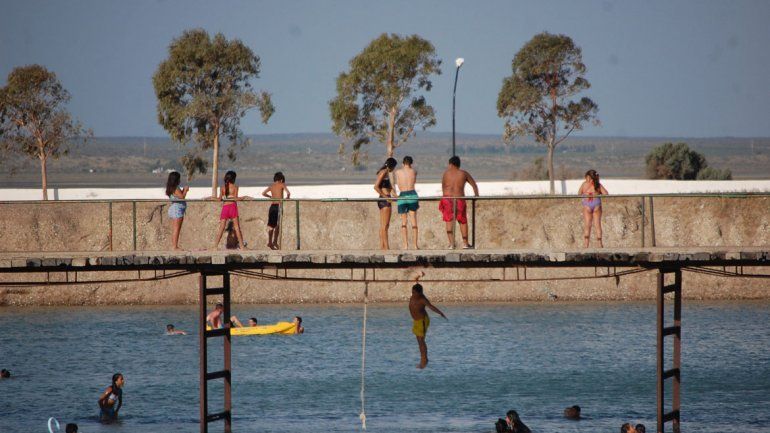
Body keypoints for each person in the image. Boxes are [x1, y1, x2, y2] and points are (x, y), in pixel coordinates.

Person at [439, 156, 479, 249]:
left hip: (447, 199)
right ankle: (465, 244)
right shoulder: (464, 173)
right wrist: (476, 196)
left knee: (449, 221)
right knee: (462, 221)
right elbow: (474, 185)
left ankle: (451, 244)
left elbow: (443, 186)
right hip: (459, 198)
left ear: (450, 164)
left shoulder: (446, 174)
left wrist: (444, 198)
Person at [409, 282, 447, 369]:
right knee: (419, 341)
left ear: (420, 293)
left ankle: (424, 360)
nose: (413, 294)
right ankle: (423, 359)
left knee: (421, 341)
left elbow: (431, 306)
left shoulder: (422, 299)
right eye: (412, 292)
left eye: (415, 293)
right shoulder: (413, 296)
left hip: (422, 321)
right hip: (416, 321)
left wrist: (440, 313)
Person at [213, 171, 250, 250]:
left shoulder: (222, 188)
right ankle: (242, 247)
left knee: (221, 227)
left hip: (225, 208)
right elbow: (236, 198)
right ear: (233, 178)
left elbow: (219, 199)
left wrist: (211, 198)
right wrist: (244, 197)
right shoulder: (235, 187)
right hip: (232, 207)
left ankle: (215, 246)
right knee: (237, 227)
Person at [578, 169, 608, 248]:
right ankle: (600, 244)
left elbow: (579, 193)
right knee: (597, 225)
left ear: (588, 177)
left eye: (586, 177)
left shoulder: (584, 184)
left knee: (587, 225)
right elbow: (606, 193)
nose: (586, 178)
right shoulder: (598, 184)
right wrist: (597, 193)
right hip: (597, 204)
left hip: (587, 204)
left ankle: (586, 244)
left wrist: (586, 194)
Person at [395, 156, 420, 249]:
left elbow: (397, 184)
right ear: (411, 163)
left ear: (403, 163)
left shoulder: (397, 172)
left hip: (402, 195)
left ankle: (405, 245)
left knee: (404, 222)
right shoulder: (414, 171)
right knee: (414, 221)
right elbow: (414, 181)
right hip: (412, 194)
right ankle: (415, 245)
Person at [262, 171, 291, 250]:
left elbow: (263, 193)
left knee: (271, 225)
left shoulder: (271, 186)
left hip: (272, 206)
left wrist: (270, 196)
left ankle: (270, 242)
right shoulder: (282, 184)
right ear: (281, 179)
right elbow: (288, 193)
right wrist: (287, 198)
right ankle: (274, 241)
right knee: (278, 224)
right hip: (278, 206)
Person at [374, 158, 397, 250]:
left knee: (383, 225)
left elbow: (390, 189)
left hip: (384, 199)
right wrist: (386, 197)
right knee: (385, 225)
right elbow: (376, 187)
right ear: (392, 166)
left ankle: (382, 247)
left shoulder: (385, 173)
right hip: (384, 200)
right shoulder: (383, 172)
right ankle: (386, 248)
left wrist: (394, 195)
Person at [165, 171, 189, 251]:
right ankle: (174, 246)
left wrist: (183, 191)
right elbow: (182, 197)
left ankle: (174, 246)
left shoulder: (172, 187)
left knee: (176, 228)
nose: (180, 180)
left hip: (176, 208)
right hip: (177, 209)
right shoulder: (175, 188)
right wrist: (185, 190)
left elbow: (178, 196)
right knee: (176, 229)